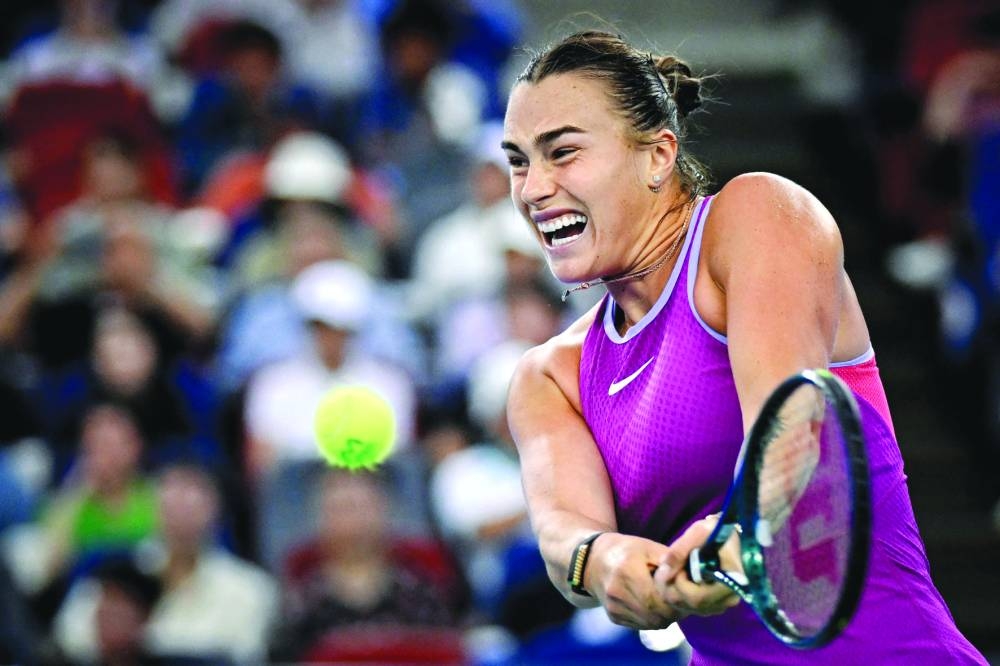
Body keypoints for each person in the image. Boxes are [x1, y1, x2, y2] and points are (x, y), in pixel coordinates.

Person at [502, 30, 988, 664]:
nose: (532, 188)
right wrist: (608, 562)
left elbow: (789, 426)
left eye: (562, 152)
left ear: (658, 155)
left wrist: (738, 536)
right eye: (517, 161)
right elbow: (564, 535)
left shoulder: (760, 216)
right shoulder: (549, 377)